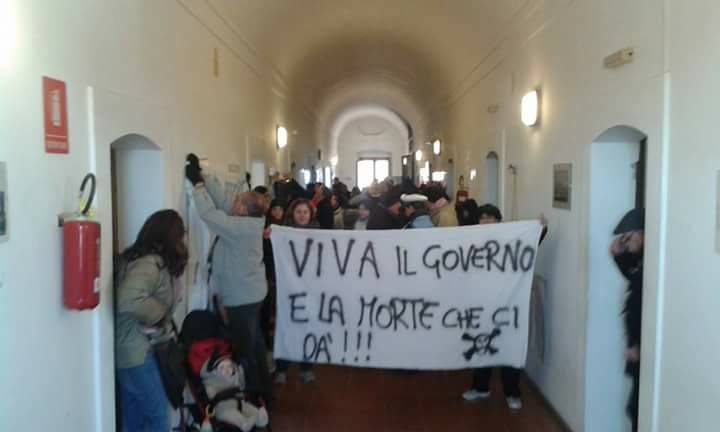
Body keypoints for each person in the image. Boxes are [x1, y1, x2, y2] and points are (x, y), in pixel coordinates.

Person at [186, 154, 273, 406]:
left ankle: (254, 398)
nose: (232, 201)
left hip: (242, 299)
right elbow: (223, 202)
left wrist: (197, 186)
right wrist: (202, 174)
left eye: (237, 201)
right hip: (253, 293)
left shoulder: (239, 228)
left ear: (243, 209)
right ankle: (264, 392)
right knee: (255, 344)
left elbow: (209, 214)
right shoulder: (248, 221)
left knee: (246, 350)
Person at [462, 204, 548, 410]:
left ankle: (512, 392)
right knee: (481, 348)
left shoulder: (510, 238)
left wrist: (540, 229)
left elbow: (529, 241)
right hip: (481, 305)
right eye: (482, 217)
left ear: (498, 220)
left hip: (508, 306)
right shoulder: (471, 240)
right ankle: (480, 388)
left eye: (490, 217)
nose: (485, 221)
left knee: (509, 347)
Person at [115, 209, 188, 432]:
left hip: (131, 349)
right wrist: (161, 316)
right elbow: (127, 299)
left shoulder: (143, 260)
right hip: (137, 351)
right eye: (180, 234)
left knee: (135, 418)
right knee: (158, 418)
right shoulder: (150, 264)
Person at [274, 198, 318, 384]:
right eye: (298, 211)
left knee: (308, 328)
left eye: (305, 212)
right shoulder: (283, 232)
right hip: (288, 289)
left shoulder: (319, 234)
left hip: (311, 289)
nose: (302, 215)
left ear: (310, 214)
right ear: (293, 214)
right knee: (286, 327)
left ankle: (306, 368)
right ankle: (282, 368)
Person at [610, 208, 644, 432]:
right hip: (637, 345)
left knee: (637, 408)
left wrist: (637, 345)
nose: (625, 242)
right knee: (635, 407)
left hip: (642, 347)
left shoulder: (655, 262)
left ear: (641, 233)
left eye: (627, 237)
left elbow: (640, 304)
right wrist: (619, 255)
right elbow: (633, 276)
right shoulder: (643, 259)